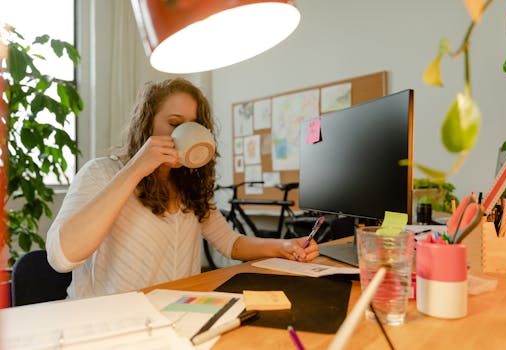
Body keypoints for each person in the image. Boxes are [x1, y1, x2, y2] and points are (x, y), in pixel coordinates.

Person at [46, 78, 319, 299]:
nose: (184, 132)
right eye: (175, 124)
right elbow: (62, 257)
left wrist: (281, 246)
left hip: (174, 314)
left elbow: (230, 242)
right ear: (147, 124)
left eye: (194, 126)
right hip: (109, 324)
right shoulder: (102, 173)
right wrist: (136, 168)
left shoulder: (189, 185)